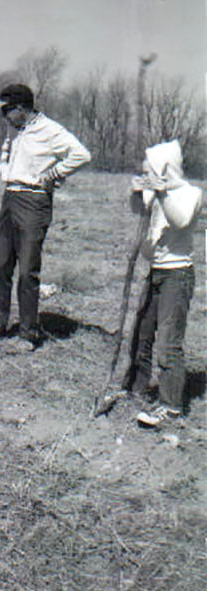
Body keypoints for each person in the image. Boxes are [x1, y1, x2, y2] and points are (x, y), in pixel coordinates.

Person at [0, 83, 91, 350]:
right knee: (0, 266)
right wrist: (4, 170)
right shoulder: (14, 128)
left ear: (21, 108)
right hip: (10, 198)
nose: (4, 116)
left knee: (27, 271)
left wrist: (54, 174)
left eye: (7, 110)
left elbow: (81, 155)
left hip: (34, 203)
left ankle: (27, 334)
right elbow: (6, 151)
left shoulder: (51, 131)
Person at [121, 139, 203, 428]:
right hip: (155, 272)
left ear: (166, 169)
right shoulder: (157, 194)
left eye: (151, 169)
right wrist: (136, 191)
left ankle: (170, 406)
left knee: (169, 341)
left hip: (177, 275)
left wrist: (160, 192)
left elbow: (179, 221)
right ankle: (137, 388)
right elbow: (138, 211)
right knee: (142, 332)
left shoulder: (190, 193)